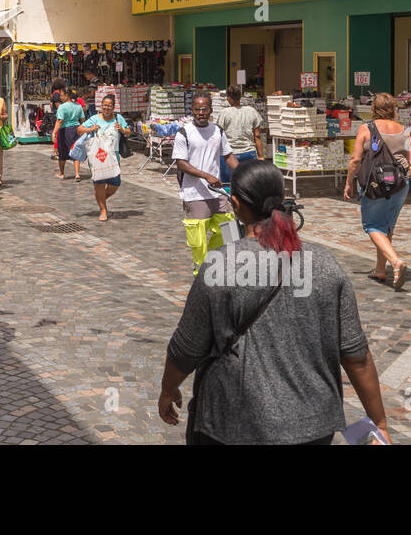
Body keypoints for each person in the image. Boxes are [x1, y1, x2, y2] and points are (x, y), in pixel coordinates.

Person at [158, 160, 390, 445]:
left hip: (231, 424)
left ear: (235, 204)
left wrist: (168, 389)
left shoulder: (220, 265)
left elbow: (187, 346)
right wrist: (378, 421)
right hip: (312, 426)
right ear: (282, 200)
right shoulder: (325, 263)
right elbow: (356, 356)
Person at [344, 92, 411, 291]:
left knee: (372, 226)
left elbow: (355, 160)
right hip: (399, 184)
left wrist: (348, 183)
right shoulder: (406, 131)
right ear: (394, 109)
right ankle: (380, 269)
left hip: (375, 184)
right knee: (386, 226)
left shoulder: (366, 129)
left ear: (373, 109)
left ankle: (395, 262)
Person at [173, 93, 242, 272]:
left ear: (210, 110)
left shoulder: (217, 130)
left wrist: (244, 172)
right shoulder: (184, 133)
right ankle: (201, 273)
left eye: (204, 109)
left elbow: (228, 155)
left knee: (229, 232)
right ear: (192, 111)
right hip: (194, 193)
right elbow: (181, 163)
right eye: (197, 109)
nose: (201, 113)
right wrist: (206, 176)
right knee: (198, 239)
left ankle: (212, 261)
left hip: (217, 193)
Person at [78, 93, 129, 221]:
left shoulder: (118, 118)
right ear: (101, 106)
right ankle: (103, 210)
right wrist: (91, 129)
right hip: (98, 157)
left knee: (115, 184)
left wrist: (122, 129)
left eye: (109, 106)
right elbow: (79, 129)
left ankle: (100, 199)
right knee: (99, 184)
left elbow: (128, 131)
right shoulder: (94, 118)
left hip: (113, 156)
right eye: (104, 105)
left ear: (113, 107)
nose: (106, 108)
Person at [215, 84, 265, 182]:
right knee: (249, 183)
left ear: (229, 98)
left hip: (229, 155)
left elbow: (218, 135)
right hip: (249, 154)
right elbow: (257, 136)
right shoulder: (251, 111)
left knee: (228, 184)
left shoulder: (224, 113)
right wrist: (261, 156)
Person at [53, 86, 85, 180]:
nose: (60, 97)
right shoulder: (78, 106)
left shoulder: (62, 107)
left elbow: (59, 121)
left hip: (65, 131)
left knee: (62, 152)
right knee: (76, 151)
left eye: (62, 95)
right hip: (76, 129)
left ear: (67, 96)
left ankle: (62, 173)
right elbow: (82, 119)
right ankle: (77, 174)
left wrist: (54, 132)